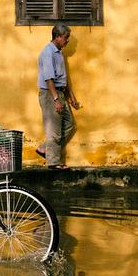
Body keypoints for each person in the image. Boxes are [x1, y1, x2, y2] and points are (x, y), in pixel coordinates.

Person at [36, 25, 81, 170]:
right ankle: (53, 163)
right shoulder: (48, 53)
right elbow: (49, 78)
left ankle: (44, 149)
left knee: (69, 124)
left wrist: (71, 96)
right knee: (53, 130)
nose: (67, 40)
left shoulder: (58, 53)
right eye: (66, 37)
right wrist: (56, 99)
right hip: (50, 93)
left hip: (59, 92)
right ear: (57, 36)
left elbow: (63, 78)